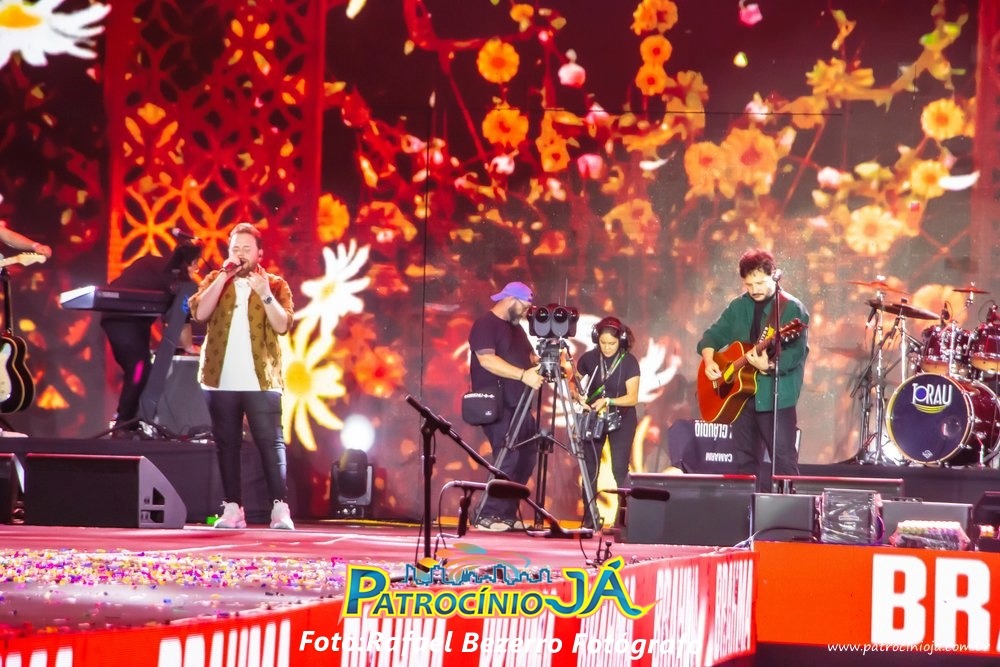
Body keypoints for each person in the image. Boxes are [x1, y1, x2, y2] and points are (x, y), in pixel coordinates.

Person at [187, 222, 295, 530]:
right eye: (235, 248)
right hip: (220, 377)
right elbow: (199, 313)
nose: (240, 253)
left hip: (261, 378)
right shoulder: (215, 279)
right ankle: (232, 508)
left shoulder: (274, 284)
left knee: (270, 442)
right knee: (227, 442)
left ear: (260, 253)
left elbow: (283, 325)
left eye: (247, 248)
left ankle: (279, 508)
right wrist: (223, 275)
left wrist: (265, 294)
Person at [697, 249, 809, 488]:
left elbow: (797, 353)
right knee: (744, 464)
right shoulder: (738, 306)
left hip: (774, 397)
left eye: (760, 283)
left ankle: (789, 507)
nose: (754, 289)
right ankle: (748, 507)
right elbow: (711, 337)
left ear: (773, 276)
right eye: (749, 284)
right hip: (741, 399)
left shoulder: (791, 308)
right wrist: (709, 361)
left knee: (783, 462)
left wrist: (768, 366)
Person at [468, 281, 544, 531]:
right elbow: (487, 360)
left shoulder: (517, 329)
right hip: (497, 405)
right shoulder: (485, 324)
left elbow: (529, 357)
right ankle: (486, 514)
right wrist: (523, 375)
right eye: (525, 307)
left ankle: (506, 514)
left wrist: (542, 362)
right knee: (507, 456)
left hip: (519, 404)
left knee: (527, 457)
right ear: (511, 300)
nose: (526, 312)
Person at [576, 316, 641, 527]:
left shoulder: (629, 362)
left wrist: (609, 401)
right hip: (595, 419)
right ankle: (590, 518)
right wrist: (578, 397)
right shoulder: (589, 358)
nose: (607, 347)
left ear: (620, 340)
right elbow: (573, 383)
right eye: (603, 342)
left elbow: (632, 398)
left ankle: (623, 520)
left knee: (619, 469)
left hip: (622, 419)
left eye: (612, 343)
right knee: (590, 468)